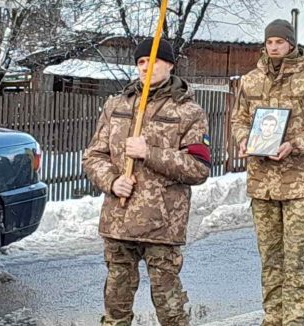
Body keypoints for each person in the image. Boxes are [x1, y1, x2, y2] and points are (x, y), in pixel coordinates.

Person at [82, 38, 211, 326]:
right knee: (115, 308)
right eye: (140, 62)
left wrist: (149, 153)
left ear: (170, 65)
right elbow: (93, 156)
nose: (145, 67)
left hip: (162, 223)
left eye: (152, 61)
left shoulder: (188, 112)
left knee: (170, 310)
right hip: (119, 220)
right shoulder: (116, 105)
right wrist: (112, 181)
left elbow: (198, 167)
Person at [230, 19, 304, 326]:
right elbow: (238, 120)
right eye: (269, 42)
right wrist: (243, 140)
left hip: (299, 184)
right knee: (270, 259)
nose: (273, 46)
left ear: (290, 43)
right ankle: (271, 318)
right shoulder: (250, 80)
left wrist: (296, 144)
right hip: (262, 183)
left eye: (279, 41)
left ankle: (293, 320)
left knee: (295, 259)